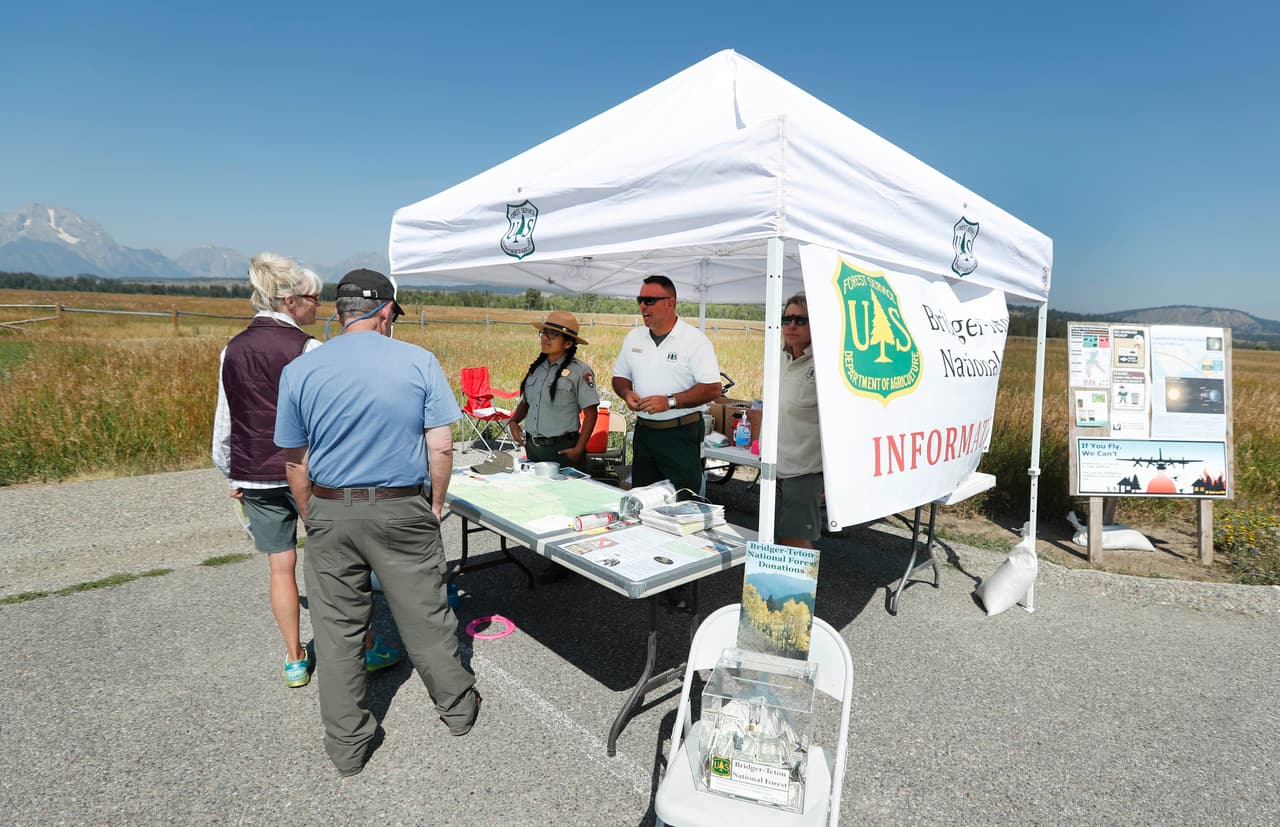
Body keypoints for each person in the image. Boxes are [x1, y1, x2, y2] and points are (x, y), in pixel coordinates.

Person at [275, 268, 480, 777]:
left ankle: (347, 745)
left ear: (341, 313)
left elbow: (295, 462)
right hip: (401, 505)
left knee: (339, 629)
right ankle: (457, 709)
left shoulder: (301, 370)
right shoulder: (418, 362)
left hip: (329, 506)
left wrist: (311, 512)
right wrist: (434, 504)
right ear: (385, 311)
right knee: (425, 615)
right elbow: (441, 445)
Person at [211, 253, 402, 689]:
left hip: (253, 473)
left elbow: (226, 418)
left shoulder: (232, 348)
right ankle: (367, 645)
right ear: (292, 301)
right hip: (311, 471)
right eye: (314, 298)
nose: (320, 307)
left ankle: (295, 658)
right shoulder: (307, 348)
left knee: (281, 566)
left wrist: (232, 474)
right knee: (339, 565)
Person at [612, 275, 721, 496]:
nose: (642, 306)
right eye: (639, 300)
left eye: (649, 300)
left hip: (680, 435)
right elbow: (619, 376)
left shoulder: (695, 341)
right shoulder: (634, 337)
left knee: (682, 502)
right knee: (642, 500)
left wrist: (670, 402)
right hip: (645, 434)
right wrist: (626, 393)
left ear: (670, 303)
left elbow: (712, 388)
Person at [508, 310, 599, 471]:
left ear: (568, 343)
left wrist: (578, 450)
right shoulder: (537, 369)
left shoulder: (580, 371)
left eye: (552, 335)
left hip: (562, 450)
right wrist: (514, 421)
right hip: (534, 449)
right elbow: (527, 402)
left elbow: (591, 413)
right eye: (544, 332)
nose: (545, 337)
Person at [775, 293, 823, 548]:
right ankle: (776, 590)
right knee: (777, 539)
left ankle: (800, 591)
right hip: (777, 469)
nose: (791, 325)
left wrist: (828, 477)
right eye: (787, 319)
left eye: (800, 320)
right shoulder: (778, 359)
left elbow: (837, 427)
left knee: (795, 543)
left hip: (806, 472)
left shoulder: (825, 364)